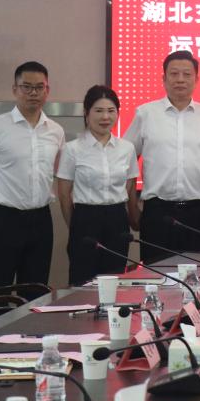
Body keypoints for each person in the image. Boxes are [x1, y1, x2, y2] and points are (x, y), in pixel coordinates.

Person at [0, 61, 64, 289]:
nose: (33, 93)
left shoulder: (56, 131)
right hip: (5, 218)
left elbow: (55, 172)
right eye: (26, 87)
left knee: (36, 288)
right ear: (15, 89)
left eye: (39, 87)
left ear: (47, 91)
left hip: (41, 218)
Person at [123, 50, 200, 263]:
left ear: (196, 79)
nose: (180, 79)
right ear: (164, 78)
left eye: (187, 74)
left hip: (198, 213)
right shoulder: (145, 113)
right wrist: (132, 208)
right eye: (174, 74)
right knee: (156, 274)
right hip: (157, 212)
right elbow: (125, 160)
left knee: (198, 275)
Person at [56, 85, 139, 285]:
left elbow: (129, 187)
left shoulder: (127, 149)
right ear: (86, 113)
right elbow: (64, 194)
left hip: (117, 220)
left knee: (114, 280)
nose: (105, 117)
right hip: (85, 219)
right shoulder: (72, 149)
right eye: (99, 111)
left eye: (111, 111)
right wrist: (76, 225)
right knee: (82, 282)